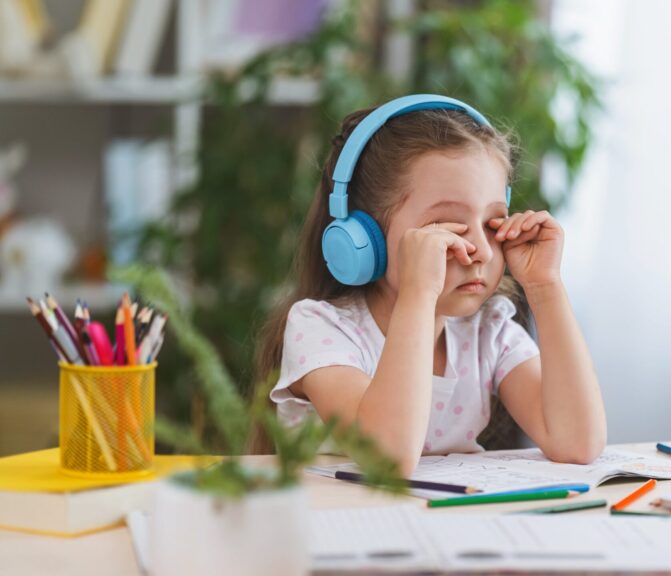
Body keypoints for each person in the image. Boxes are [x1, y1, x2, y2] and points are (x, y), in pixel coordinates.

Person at [258, 95, 606, 475]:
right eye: (448, 227)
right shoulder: (322, 330)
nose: (482, 253)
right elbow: (386, 459)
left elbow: (577, 442)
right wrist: (419, 294)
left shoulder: (487, 332)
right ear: (363, 240)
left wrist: (545, 286)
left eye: (492, 223)